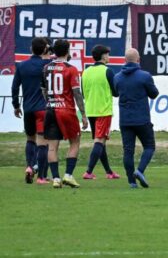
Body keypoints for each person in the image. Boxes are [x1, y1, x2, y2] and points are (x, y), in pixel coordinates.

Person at [42, 39, 90, 188]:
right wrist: (83, 115)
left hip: (50, 110)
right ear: (68, 51)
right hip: (66, 111)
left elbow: (43, 90)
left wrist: (50, 102)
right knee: (75, 142)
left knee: (51, 147)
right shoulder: (71, 69)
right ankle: (68, 175)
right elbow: (77, 93)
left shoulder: (45, 68)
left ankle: (56, 178)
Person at [114, 48, 159, 188]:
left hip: (125, 120)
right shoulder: (145, 76)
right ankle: (139, 171)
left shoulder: (117, 77)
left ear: (124, 60)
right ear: (138, 60)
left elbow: (115, 93)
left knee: (128, 151)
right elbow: (154, 94)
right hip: (142, 118)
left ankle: (131, 182)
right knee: (149, 146)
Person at [12, 37, 51, 184]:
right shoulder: (48, 64)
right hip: (43, 108)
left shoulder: (22, 66)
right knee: (43, 143)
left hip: (28, 108)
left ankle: (29, 166)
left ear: (31, 49)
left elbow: (15, 87)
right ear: (45, 49)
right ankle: (41, 176)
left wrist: (16, 105)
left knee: (30, 139)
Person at [81, 45, 120, 181]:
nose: (108, 57)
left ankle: (109, 172)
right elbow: (116, 93)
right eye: (108, 54)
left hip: (91, 110)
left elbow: (83, 92)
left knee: (100, 142)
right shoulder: (107, 71)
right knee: (100, 140)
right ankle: (88, 171)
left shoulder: (85, 72)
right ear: (103, 56)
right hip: (103, 110)